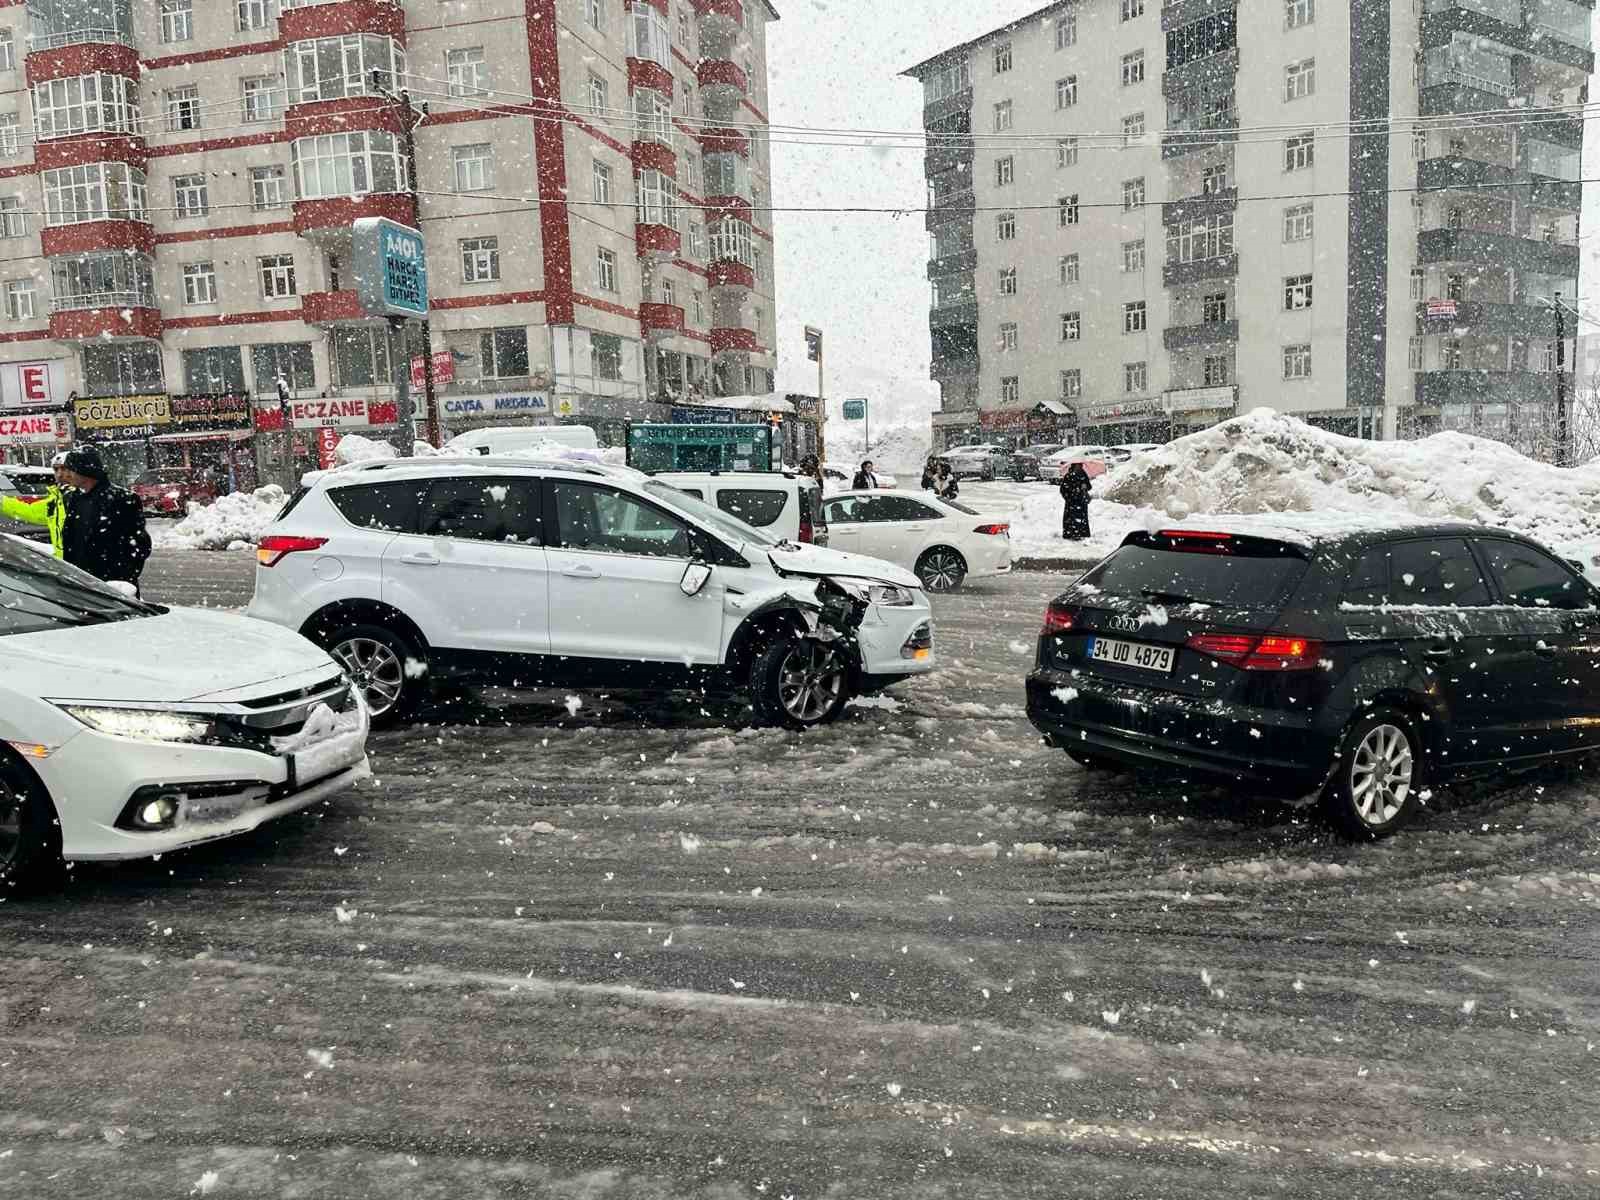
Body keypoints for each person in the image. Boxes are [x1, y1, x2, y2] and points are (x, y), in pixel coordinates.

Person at [58, 446, 152, 593]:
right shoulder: (73, 498)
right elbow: (71, 541)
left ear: (85, 471)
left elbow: (139, 543)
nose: (67, 475)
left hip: (113, 586)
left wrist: (124, 578)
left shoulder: (122, 499)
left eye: (71, 469)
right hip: (81, 583)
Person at [0, 451, 71, 558]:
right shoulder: (55, 501)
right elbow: (30, 511)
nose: (59, 474)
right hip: (69, 567)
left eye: (64, 468)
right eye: (56, 469)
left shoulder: (82, 498)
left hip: (84, 567)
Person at [1060, 461, 1092, 541]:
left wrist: (1085, 487)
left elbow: (1089, 486)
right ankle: (1071, 533)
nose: (1081, 466)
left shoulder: (1083, 474)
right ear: (1074, 465)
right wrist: (1070, 496)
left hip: (1081, 501)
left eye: (1081, 465)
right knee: (1071, 518)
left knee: (1082, 518)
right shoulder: (1068, 476)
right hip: (1072, 502)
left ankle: (1081, 533)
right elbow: (1063, 489)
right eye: (1079, 465)